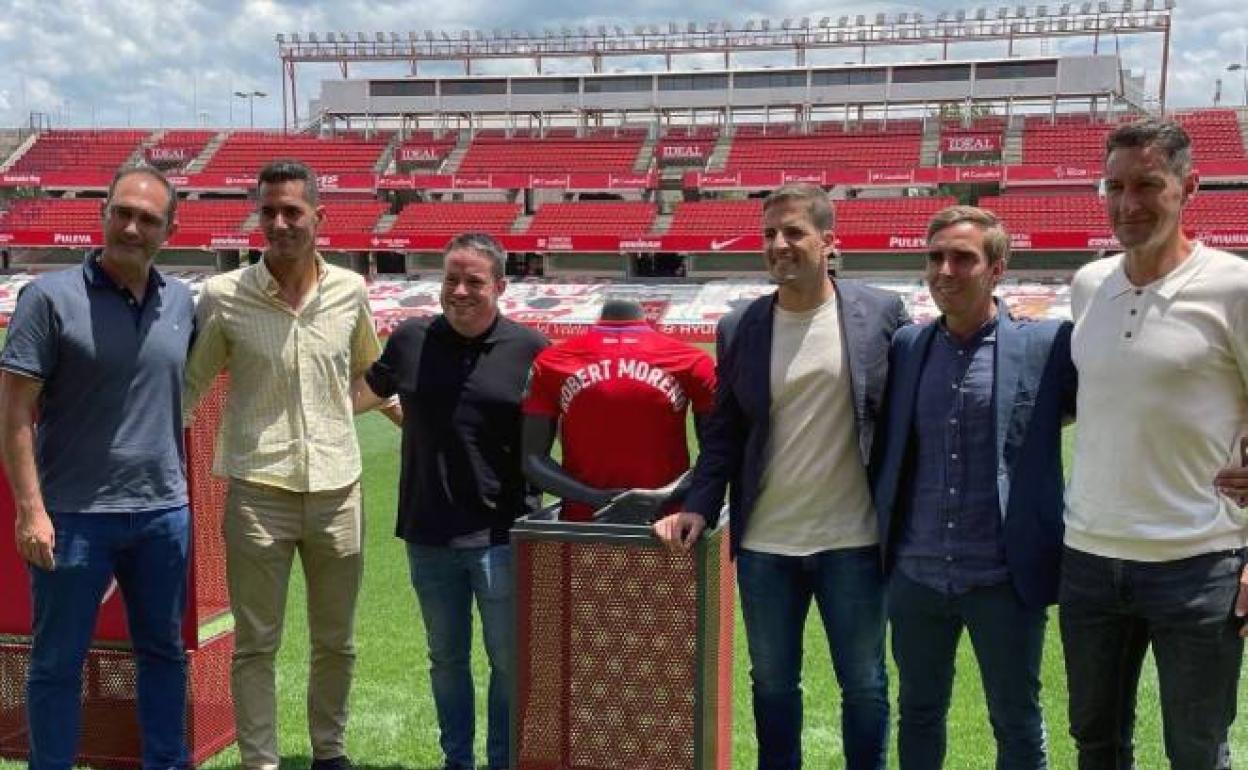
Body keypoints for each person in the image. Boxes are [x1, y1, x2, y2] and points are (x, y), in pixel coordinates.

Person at [655, 183, 909, 770]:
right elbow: (724, 431)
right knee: (772, 685)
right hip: (766, 544)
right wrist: (699, 502)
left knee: (865, 683)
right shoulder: (739, 326)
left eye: (793, 231)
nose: (779, 244)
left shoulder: (880, 314)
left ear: (828, 242)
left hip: (854, 540)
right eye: (770, 233)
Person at [183, 159, 383, 770]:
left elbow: (370, 378)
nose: (278, 223)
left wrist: (422, 426)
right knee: (256, 644)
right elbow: (189, 389)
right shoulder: (224, 296)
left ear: (319, 218)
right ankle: (260, 761)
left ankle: (330, 753)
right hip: (257, 495)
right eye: (267, 211)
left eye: (291, 211)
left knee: (337, 643)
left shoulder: (351, 290)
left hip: (338, 491)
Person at [1062, 117, 1248, 770]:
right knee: (1096, 744)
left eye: (1147, 185)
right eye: (1114, 187)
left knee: (1197, 752)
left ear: (1189, 187)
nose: (1128, 204)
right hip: (1088, 558)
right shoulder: (1089, 284)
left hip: (1198, 564)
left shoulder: (1234, 286)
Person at [0, 165, 194, 770]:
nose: (132, 227)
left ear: (170, 229)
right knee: (58, 662)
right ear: (103, 212)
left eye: (148, 219)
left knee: (162, 654)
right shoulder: (48, 298)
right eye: (122, 212)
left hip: (163, 515)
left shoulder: (182, 301)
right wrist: (30, 511)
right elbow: (13, 414)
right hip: (73, 517)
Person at [870, 206, 1076, 770]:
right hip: (916, 573)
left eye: (963, 257)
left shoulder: (1047, 346)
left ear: (997, 269)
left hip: (1004, 577)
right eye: (934, 257)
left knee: (1016, 720)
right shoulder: (908, 346)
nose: (945, 270)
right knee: (917, 712)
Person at [354, 232, 548, 770]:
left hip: (503, 536)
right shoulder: (411, 339)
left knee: (509, 662)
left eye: (473, 282)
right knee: (446, 659)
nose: (459, 291)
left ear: (500, 286)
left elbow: (563, 431)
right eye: (450, 280)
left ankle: (503, 760)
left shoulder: (531, 351)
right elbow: (358, 395)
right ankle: (456, 760)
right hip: (428, 533)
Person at [520, 297, 716, 523]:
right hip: (665, 525)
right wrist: (658, 497)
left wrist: (595, 498)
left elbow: (533, 460)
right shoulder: (693, 361)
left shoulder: (550, 361)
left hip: (589, 523)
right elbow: (716, 454)